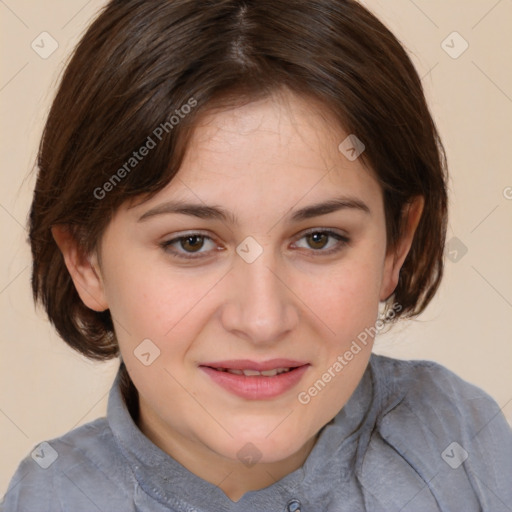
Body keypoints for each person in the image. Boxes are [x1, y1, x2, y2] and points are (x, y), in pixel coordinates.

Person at [2, 0, 511, 510]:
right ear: (86, 261)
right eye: (192, 243)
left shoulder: (464, 442)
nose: (263, 320)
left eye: (319, 238)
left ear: (395, 246)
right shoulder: (50, 496)